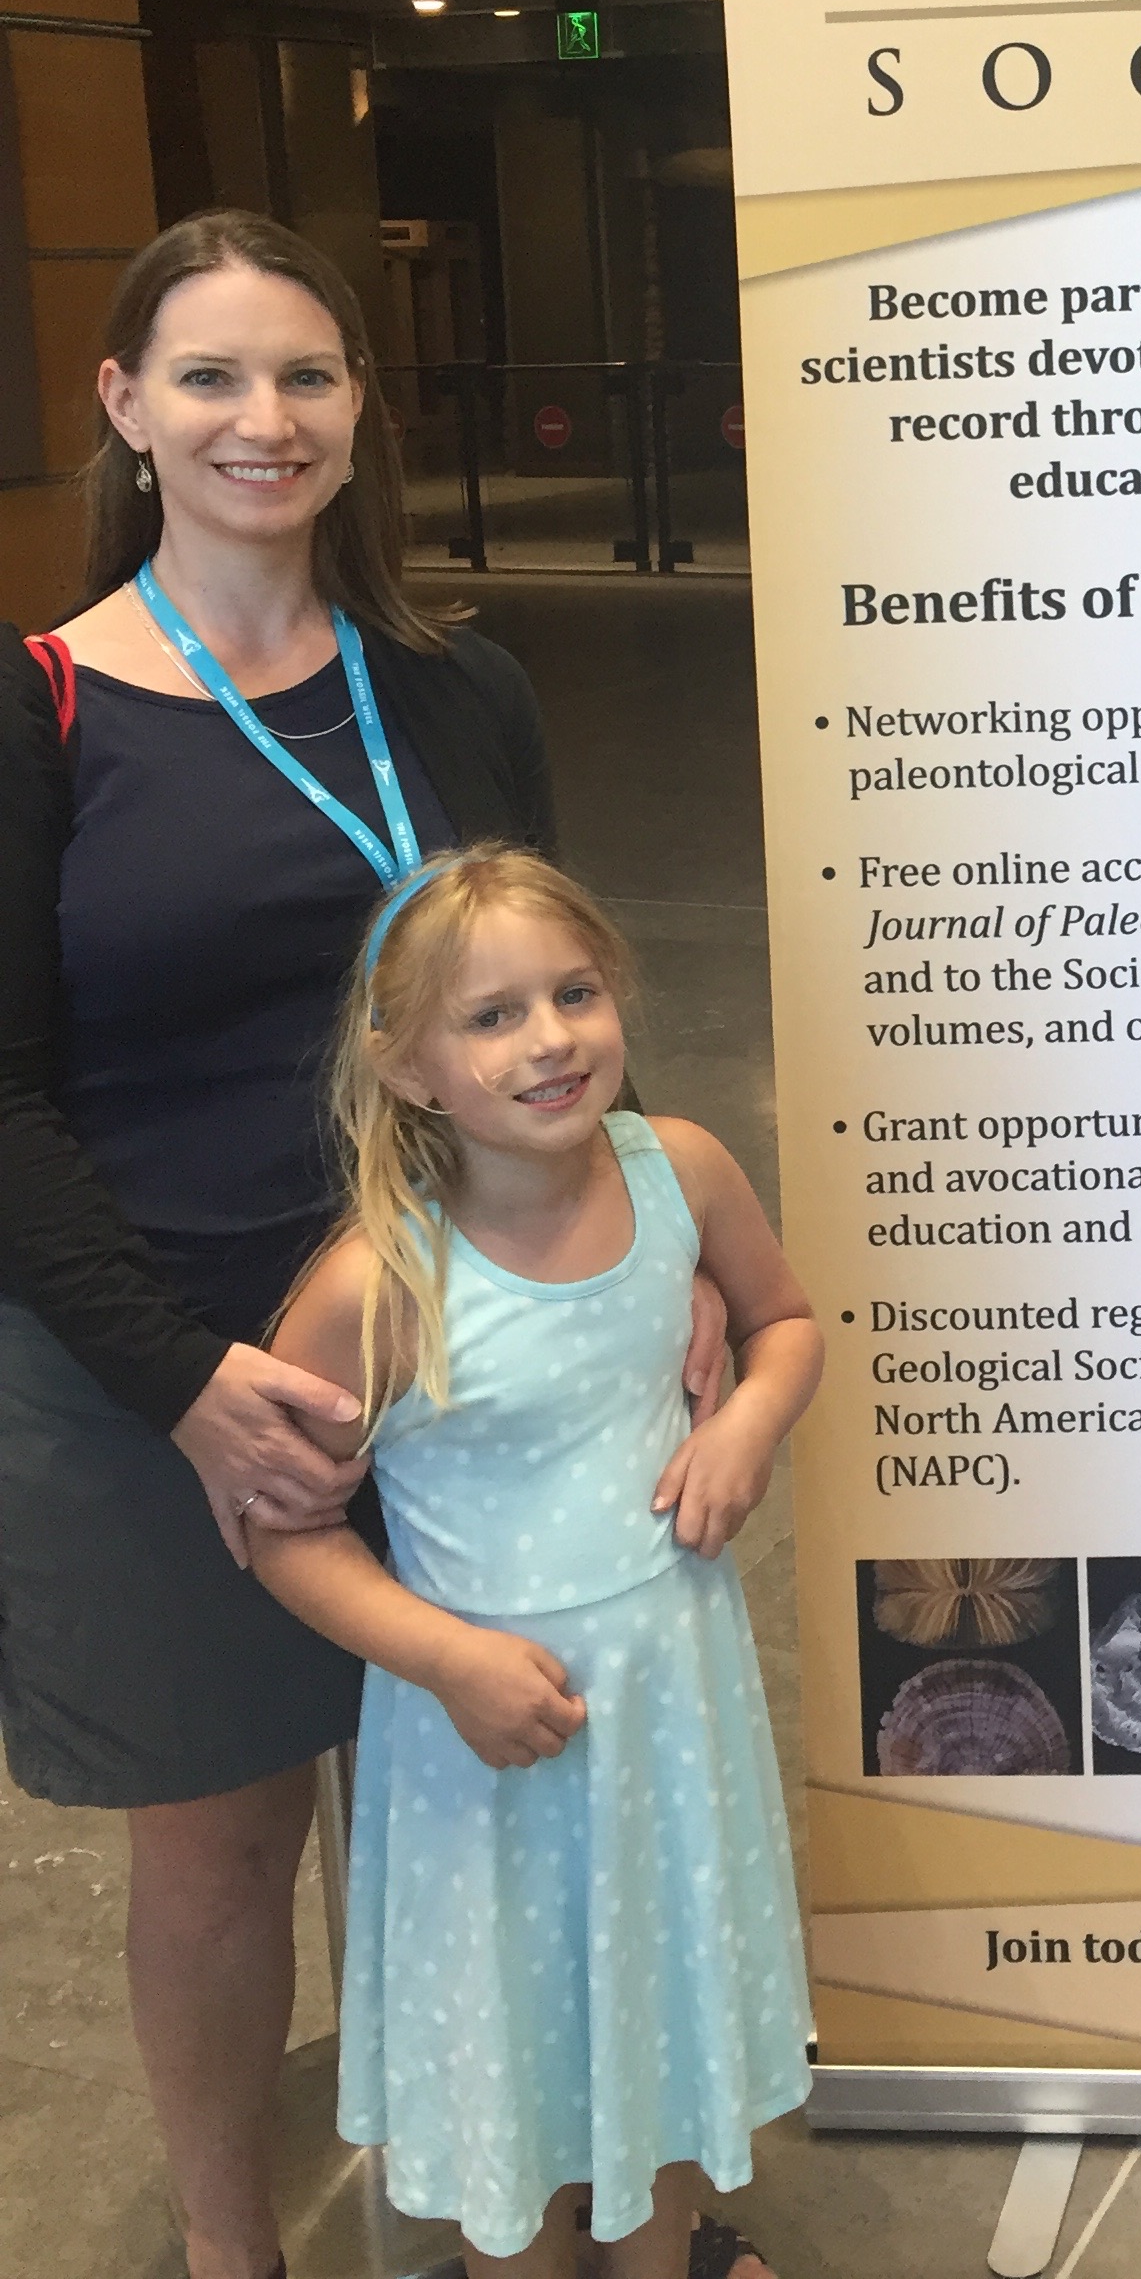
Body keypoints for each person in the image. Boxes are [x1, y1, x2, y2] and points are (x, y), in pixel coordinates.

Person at [0, 210, 556, 2279]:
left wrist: (648, 1262)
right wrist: (184, 1384)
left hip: (465, 1347)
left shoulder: (459, 689)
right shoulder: (43, 711)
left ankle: (516, 2208)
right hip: (157, 1368)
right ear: (126, 407)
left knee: (472, 1804)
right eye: (212, 375)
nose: (267, 417)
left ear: (359, 405)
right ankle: (236, 2254)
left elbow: (558, 1011)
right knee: (226, 1845)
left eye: (308, 373)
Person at [251, 845, 818, 2279]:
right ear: (408, 1066)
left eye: (574, 993)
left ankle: (661, 2253)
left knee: (663, 2023)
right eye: (492, 1016)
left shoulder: (681, 1171)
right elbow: (277, 1525)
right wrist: (443, 1658)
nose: (550, 1040)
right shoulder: (378, 1283)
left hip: (670, 1716)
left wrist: (748, 1422)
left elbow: (785, 1322)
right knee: (508, 2055)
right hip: (487, 1750)